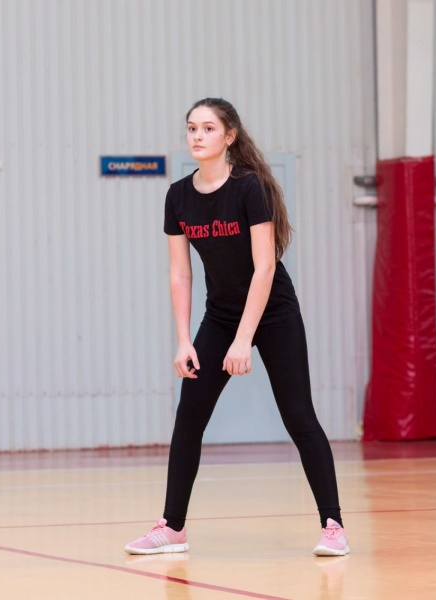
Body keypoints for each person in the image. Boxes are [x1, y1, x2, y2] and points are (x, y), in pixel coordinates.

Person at [124, 98, 348, 557]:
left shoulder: (250, 187)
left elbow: (265, 267)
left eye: (208, 128)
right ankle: (172, 527)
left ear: (229, 137)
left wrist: (245, 340)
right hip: (221, 315)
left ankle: (333, 526)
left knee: (299, 415)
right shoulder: (177, 196)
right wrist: (184, 340)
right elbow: (180, 273)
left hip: (274, 312)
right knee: (189, 415)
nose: (198, 135)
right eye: (192, 128)